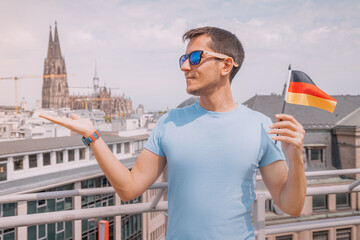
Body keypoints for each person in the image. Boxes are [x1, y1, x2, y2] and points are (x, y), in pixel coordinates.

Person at [40, 26, 306, 239]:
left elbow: (290, 206)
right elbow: (129, 189)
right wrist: (93, 136)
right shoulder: (170, 122)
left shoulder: (261, 125)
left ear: (226, 65)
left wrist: (296, 157)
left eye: (195, 58)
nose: (184, 67)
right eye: (183, 58)